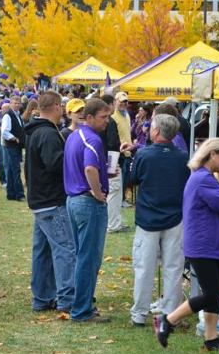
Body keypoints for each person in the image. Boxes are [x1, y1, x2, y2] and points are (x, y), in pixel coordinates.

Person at [155, 137, 219, 352]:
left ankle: (212, 338)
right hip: (204, 244)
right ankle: (169, 320)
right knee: (211, 293)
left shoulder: (203, 177)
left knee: (215, 292)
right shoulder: (204, 179)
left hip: (208, 242)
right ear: (212, 154)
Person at [129, 114, 190, 328]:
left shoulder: (144, 155)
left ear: (155, 132)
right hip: (175, 217)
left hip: (148, 218)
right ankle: (170, 312)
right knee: (173, 267)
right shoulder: (183, 157)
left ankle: (139, 313)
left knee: (144, 267)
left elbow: (133, 179)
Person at [63, 98, 114, 323]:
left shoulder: (74, 136)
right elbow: (90, 168)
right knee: (88, 258)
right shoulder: (92, 138)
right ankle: (82, 310)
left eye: (109, 116)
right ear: (90, 117)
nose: (108, 121)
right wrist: (97, 192)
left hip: (73, 200)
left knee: (82, 255)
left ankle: (81, 304)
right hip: (87, 202)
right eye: (104, 117)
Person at [24, 90, 75, 313]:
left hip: (40, 199)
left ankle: (42, 297)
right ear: (56, 106)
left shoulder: (38, 131)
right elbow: (55, 164)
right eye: (61, 106)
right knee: (65, 248)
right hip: (51, 200)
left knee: (43, 251)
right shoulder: (47, 134)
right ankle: (67, 298)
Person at [102, 94, 132, 233]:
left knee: (115, 192)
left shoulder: (121, 117)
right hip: (113, 160)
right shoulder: (111, 120)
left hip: (110, 159)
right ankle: (113, 224)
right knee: (114, 191)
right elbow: (112, 145)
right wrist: (112, 168)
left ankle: (114, 222)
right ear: (112, 103)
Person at [0, 95, 26, 201]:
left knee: (11, 170)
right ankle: (19, 194)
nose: (17, 105)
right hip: (11, 146)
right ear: (10, 104)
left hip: (16, 147)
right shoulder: (8, 115)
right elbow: (4, 131)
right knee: (16, 170)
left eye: (18, 103)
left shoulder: (17, 115)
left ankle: (10, 194)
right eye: (14, 103)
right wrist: (14, 138)